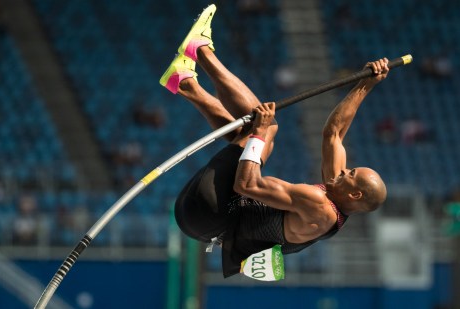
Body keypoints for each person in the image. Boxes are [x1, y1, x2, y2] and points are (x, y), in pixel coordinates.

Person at [159, 4, 388, 278]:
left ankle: (200, 50)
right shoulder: (334, 195)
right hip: (209, 216)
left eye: (350, 174)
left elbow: (246, 184)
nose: (344, 171)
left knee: (266, 132)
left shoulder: (320, 206)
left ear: (355, 194)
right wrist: (365, 85)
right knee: (253, 137)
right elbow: (334, 133)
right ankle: (184, 83)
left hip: (210, 213)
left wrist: (259, 132)